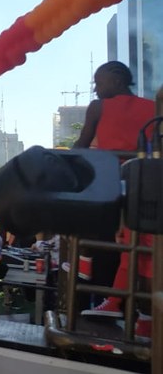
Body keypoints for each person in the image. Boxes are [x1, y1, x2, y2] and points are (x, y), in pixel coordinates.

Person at [75, 62, 155, 337]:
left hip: (113, 182)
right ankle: (141, 316)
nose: (96, 88)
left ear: (117, 79)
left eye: (99, 81)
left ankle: (85, 266)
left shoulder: (98, 107)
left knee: (126, 241)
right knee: (141, 245)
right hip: (147, 183)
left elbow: (81, 145)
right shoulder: (154, 107)